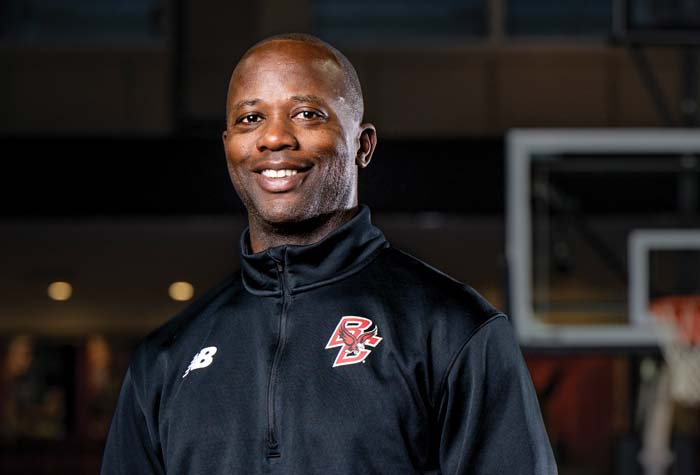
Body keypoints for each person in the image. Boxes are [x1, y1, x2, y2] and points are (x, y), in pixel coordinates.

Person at [101, 33, 557, 474]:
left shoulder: (452, 330)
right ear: (228, 149)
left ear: (363, 145)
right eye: (250, 119)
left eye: (306, 113)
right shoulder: (165, 358)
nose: (274, 138)